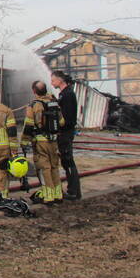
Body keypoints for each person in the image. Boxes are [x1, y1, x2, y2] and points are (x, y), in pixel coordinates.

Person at [22, 80, 63, 205]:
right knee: (54, 167)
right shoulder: (54, 103)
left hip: (41, 142)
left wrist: (24, 142)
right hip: (54, 141)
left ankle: (48, 196)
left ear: (34, 91)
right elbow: (61, 122)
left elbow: (29, 125)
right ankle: (58, 194)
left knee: (44, 168)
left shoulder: (34, 105)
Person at [51, 70, 81, 200]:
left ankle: (73, 191)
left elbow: (66, 117)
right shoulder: (65, 94)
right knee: (66, 160)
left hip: (65, 132)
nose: (51, 82)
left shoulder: (67, 95)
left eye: (53, 80)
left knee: (68, 160)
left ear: (60, 80)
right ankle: (73, 190)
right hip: (65, 132)